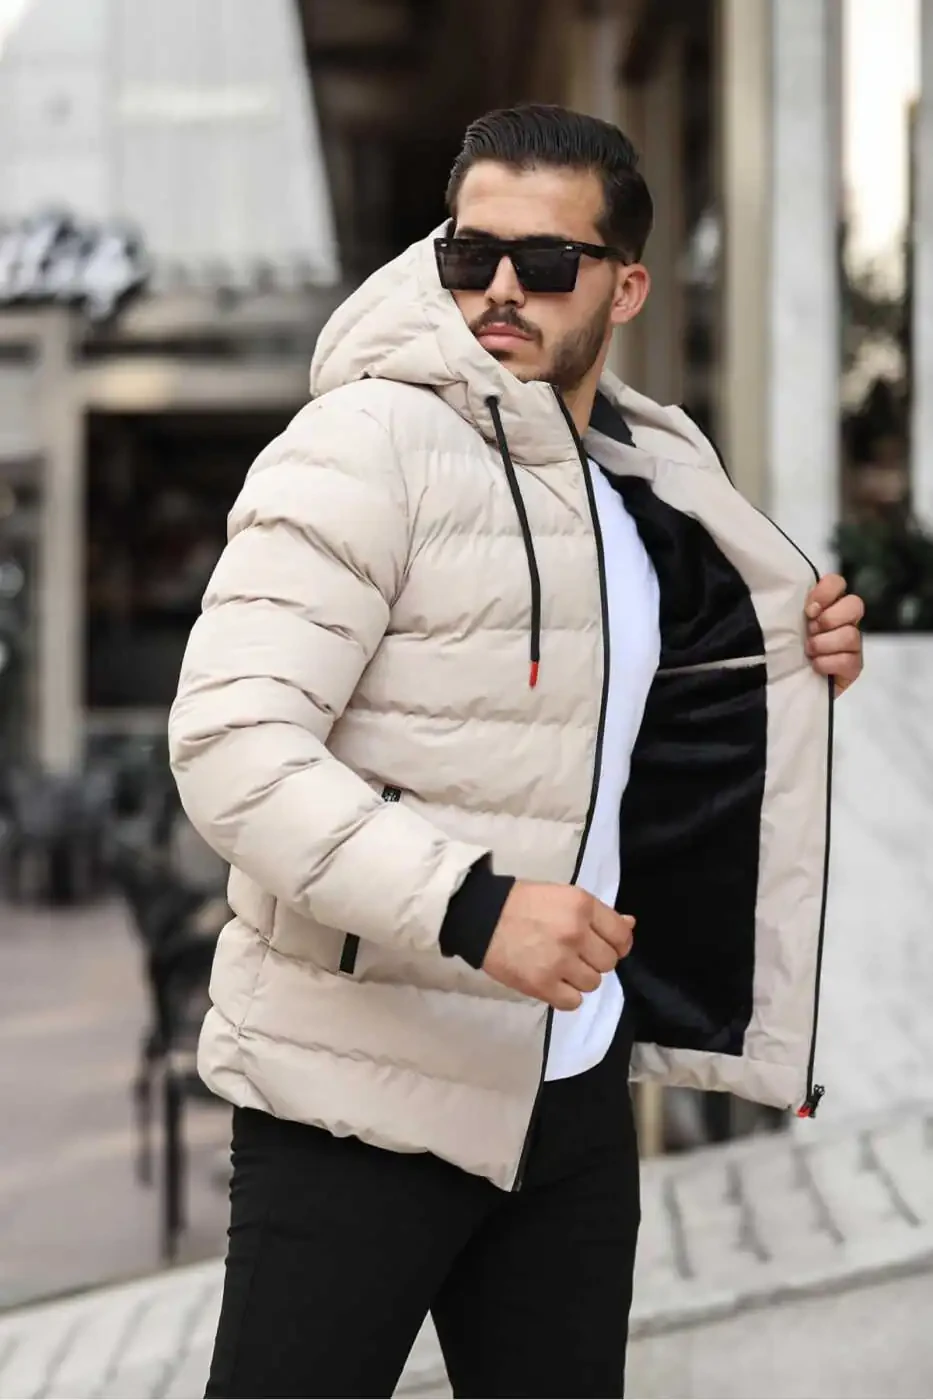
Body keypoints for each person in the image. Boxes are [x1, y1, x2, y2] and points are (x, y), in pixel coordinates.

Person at [169, 105, 864, 1399]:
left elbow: (631, 712)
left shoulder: (642, 474)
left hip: (572, 1093)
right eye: (468, 252)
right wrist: (474, 908)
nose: (500, 287)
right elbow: (231, 744)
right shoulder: (363, 445)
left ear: (626, 287)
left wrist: (795, 644)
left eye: (545, 262)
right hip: (362, 1092)